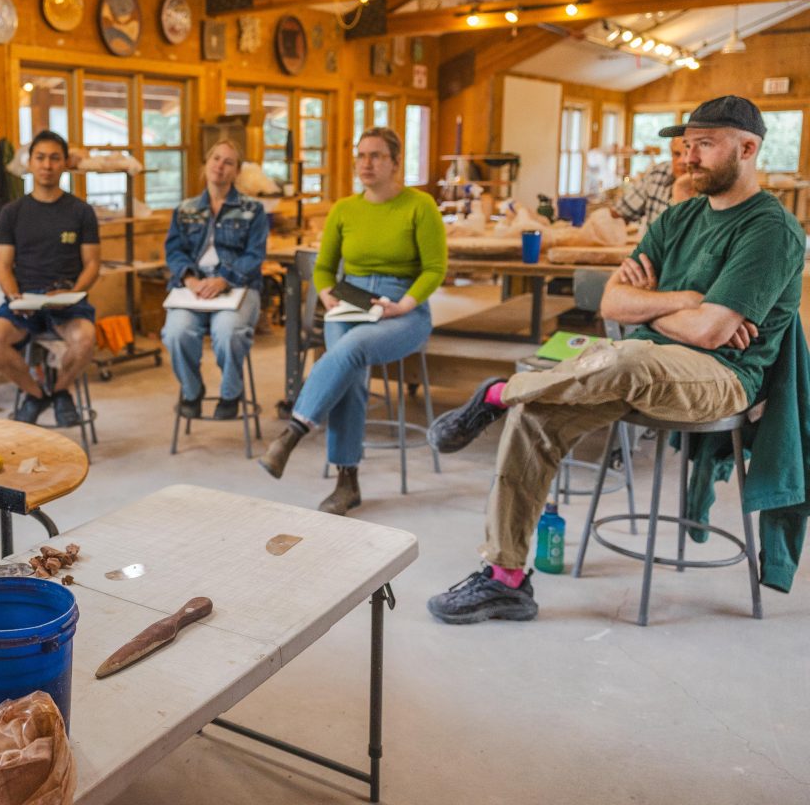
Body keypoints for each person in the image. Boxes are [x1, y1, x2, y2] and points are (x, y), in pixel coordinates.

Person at [425, 96, 803, 624]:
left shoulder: (771, 230)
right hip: (647, 358)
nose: (690, 157)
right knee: (537, 415)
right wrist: (687, 301)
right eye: (687, 145)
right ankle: (505, 578)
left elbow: (713, 333)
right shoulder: (678, 219)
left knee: (626, 355)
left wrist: (664, 312)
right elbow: (611, 302)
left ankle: (497, 393)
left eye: (705, 145)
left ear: (747, 148)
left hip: (722, 378)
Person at [258, 128, 448, 517]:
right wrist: (328, 295)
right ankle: (347, 483)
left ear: (396, 162)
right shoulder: (345, 209)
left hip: (403, 307)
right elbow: (325, 268)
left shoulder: (420, 205)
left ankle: (294, 431)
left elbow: (435, 269)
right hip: (349, 301)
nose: (366, 163)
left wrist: (404, 304)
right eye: (361, 155)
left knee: (353, 349)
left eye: (377, 156)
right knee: (350, 367)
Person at [0, 130, 101, 427]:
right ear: (30, 163)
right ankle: (36, 395)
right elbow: (4, 267)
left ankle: (61, 391)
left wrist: (71, 293)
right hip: (23, 298)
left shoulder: (81, 211)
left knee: (85, 339)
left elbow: (92, 265)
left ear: (65, 164)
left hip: (67, 298)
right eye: (41, 158)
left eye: (54, 158)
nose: (47, 165)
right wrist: (14, 298)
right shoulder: (12, 213)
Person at [161, 140, 269, 419]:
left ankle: (231, 392)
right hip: (193, 287)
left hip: (237, 286)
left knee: (228, 332)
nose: (220, 166)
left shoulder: (253, 209)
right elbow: (174, 251)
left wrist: (224, 280)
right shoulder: (184, 209)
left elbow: (255, 254)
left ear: (236, 172)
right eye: (215, 159)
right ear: (206, 164)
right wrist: (189, 280)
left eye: (228, 162)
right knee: (176, 332)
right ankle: (192, 389)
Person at [614, 135, 691, 226]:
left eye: (688, 154)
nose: (682, 161)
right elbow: (621, 211)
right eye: (677, 154)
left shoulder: (707, 188)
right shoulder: (659, 173)